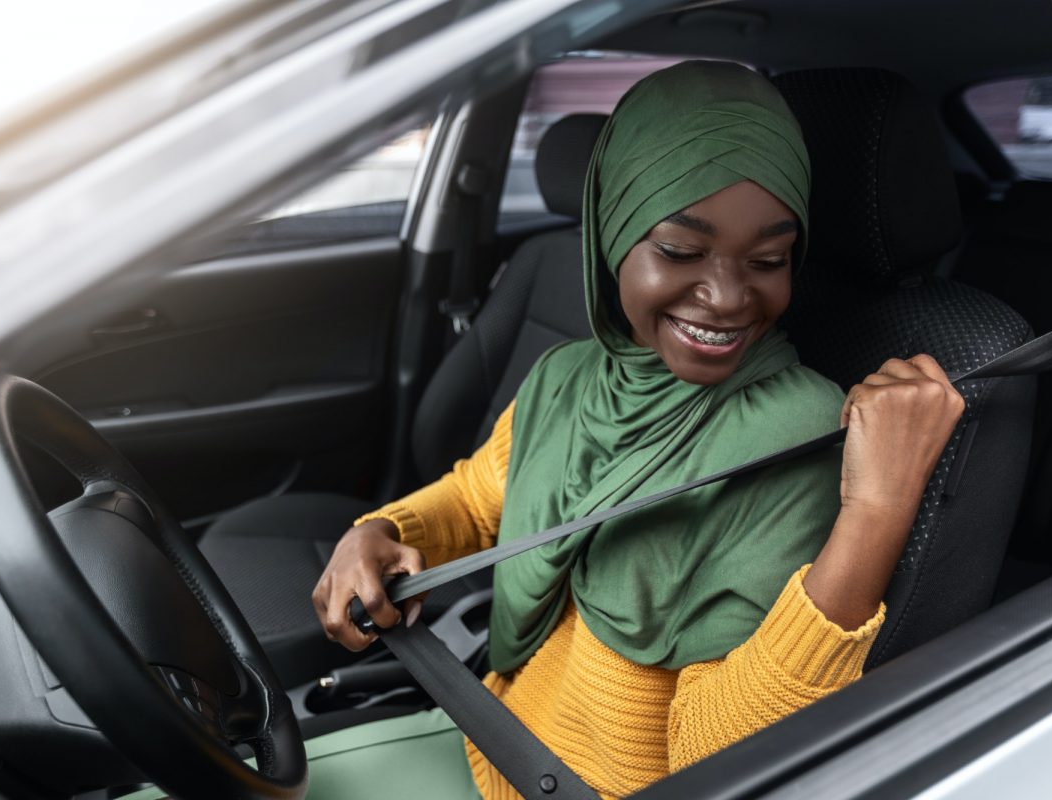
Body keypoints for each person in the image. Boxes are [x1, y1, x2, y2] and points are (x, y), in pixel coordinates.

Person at [306, 60, 964, 799]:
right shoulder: (572, 375)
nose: (725, 297)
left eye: (769, 260)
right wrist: (380, 530)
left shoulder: (796, 430)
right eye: (680, 252)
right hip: (489, 737)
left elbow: (724, 760)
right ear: (613, 233)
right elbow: (478, 497)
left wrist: (877, 511)